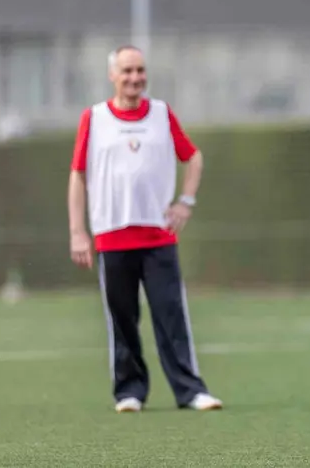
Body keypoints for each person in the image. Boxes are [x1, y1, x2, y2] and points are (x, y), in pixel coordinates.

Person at [68, 45, 222, 414]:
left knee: (171, 314)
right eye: (127, 71)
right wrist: (78, 231)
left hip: (158, 237)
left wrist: (185, 201)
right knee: (122, 318)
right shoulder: (94, 118)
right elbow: (78, 174)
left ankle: (190, 391)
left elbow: (193, 156)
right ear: (112, 76)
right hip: (111, 236)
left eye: (140, 70)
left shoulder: (161, 114)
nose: (135, 77)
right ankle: (129, 392)